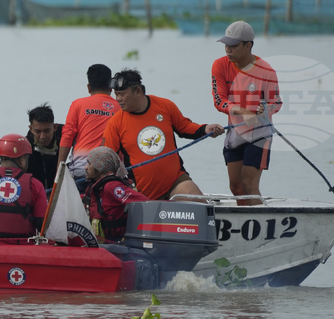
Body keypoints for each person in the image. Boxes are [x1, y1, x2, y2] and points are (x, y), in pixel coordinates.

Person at [102, 69, 225, 201]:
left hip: (175, 181)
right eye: (116, 94)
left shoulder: (165, 106)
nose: (118, 99)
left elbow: (185, 127)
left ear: (138, 91)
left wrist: (205, 129)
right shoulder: (115, 123)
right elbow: (106, 159)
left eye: (122, 94)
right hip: (142, 193)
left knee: (199, 204)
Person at [212, 21, 283, 206]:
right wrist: (243, 112)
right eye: (226, 45)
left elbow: (276, 102)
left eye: (233, 46)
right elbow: (219, 101)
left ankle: (258, 225)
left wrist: (266, 109)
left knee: (249, 183)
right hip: (235, 133)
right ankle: (246, 225)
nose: (228, 50)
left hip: (259, 134)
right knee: (235, 187)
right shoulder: (219, 66)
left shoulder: (267, 71)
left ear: (248, 45)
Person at [57, 64, 117, 183]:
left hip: (81, 170)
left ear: (89, 87)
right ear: (111, 87)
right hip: (110, 172)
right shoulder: (121, 108)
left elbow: (67, 136)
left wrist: (59, 169)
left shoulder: (78, 104)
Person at [82, 147, 149, 242]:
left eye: (89, 163)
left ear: (99, 167)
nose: (86, 167)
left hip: (114, 244)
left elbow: (144, 203)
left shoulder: (112, 187)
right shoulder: (96, 185)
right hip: (102, 243)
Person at [24, 103, 63, 192]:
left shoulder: (65, 134)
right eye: (37, 131)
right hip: (37, 192)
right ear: (31, 129)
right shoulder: (25, 146)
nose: (42, 137)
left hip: (59, 191)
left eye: (47, 131)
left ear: (55, 127)